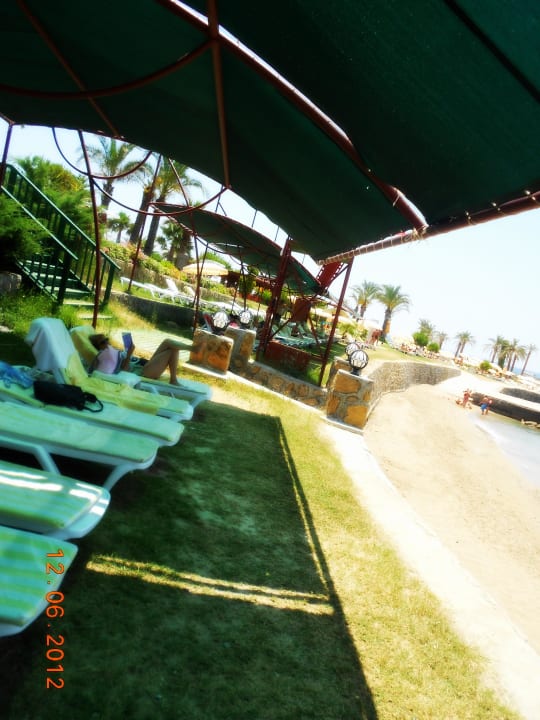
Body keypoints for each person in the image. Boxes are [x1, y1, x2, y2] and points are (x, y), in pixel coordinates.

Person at [89, 333, 188, 386]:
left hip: (143, 365)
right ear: (98, 347)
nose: (107, 342)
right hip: (143, 372)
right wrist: (129, 354)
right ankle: (173, 380)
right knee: (172, 351)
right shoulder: (106, 357)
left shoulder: (112, 352)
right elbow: (123, 373)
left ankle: (192, 348)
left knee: (167, 342)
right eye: (103, 342)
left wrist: (127, 352)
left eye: (106, 339)